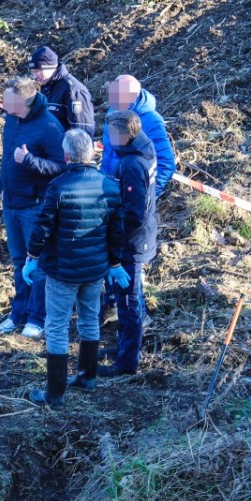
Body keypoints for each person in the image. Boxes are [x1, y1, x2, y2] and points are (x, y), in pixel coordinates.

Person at [24, 130, 124, 408]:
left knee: (56, 326)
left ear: (66, 156)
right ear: (92, 153)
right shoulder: (110, 186)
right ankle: (87, 376)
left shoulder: (58, 187)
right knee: (90, 320)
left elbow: (42, 228)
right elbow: (117, 231)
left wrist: (32, 257)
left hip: (62, 271)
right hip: (94, 269)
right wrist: (114, 262)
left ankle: (55, 393)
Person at [85, 111, 158, 383]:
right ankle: (125, 347)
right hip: (140, 238)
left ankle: (127, 362)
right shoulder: (143, 149)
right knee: (129, 297)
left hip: (131, 243)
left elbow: (133, 212)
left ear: (126, 134)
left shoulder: (131, 164)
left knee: (128, 301)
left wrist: (114, 235)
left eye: (113, 134)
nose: (110, 139)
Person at [98, 74, 175, 326]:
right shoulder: (113, 115)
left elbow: (166, 163)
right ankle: (112, 304)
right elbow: (107, 156)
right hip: (110, 199)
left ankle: (137, 317)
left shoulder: (150, 120)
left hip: (131, 202)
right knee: (110, 252)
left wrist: (146, 196)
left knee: (129, 261)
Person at [0, 76, 66, 340]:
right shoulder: (11, 120)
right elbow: (7, 158)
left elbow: (62, 166)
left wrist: (29, 161)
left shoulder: (49, 127)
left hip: (35, 206)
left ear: (23, 101)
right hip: (11, 202)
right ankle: (19, 312)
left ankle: (38, 317)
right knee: (18, 261)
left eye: (7, 99)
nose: (3, 102)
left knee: (36, 263)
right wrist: (3, 186)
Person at [28, 45, 94, 133]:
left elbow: (82, 131)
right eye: (33, 72)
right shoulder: (46, 88)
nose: (34, 77)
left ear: (50, 67)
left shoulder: (73, 91)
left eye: (37, 71)